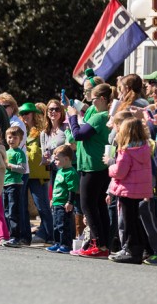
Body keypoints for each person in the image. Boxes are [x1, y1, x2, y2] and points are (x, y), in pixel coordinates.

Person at [67, 83, 112, 258]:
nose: (91, 103)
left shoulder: (100, 116)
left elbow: (79, 135)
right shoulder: (102, 115)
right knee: (98, 205)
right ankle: (102, 244)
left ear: (102, 99)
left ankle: (99, 244)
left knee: (87, 205)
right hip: (96, 165)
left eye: (93, 99)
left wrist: (72, 116)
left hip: (93, 166)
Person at [107, 117, 154, 264]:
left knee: (128, 222)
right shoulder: (144, 148)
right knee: (135, 220)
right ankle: (139, 249)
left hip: (127, 189)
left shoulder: (126, 151)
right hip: (140, 190)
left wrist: (110, 165)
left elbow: (120, 172)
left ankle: (131, 251)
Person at [19, 102, 54, 245]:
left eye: (27, 113)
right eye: (22, 114)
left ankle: (49, 235)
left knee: (42, 206)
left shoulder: (41, 132)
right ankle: (26, 235)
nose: (24, 116)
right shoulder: (21, 131)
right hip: (24, 172)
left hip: (38, 174)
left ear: (34, 114)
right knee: (23, 206)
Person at [46, 145, 79, 254]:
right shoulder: (60, 171)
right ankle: (57, 243)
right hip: (56, 202)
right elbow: (56, 187)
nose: (54, 162)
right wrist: (52, 199)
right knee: (55, 225)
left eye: (56, 159)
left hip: (64, 204)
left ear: (66, 159)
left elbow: (72, 189)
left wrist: (70, 202)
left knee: (63, 225)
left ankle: (66, 244)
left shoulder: (71, 173)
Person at [3, 126, 27, 248]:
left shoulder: (20, 153)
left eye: (15, 137)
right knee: (6, 211)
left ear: (20, 139)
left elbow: (23, 169)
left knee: (13, 212)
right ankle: (7, 235)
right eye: (9, 137)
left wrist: (10, 165)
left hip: (14, 184)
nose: (11, 140)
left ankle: (15, 237)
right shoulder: (6, 152)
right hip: (4, 184)